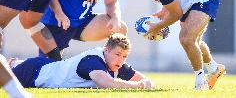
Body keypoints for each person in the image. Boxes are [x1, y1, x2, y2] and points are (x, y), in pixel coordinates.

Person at [115, 0, 226, 90]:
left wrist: (157, 27)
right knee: (193, 40)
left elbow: (176, 13)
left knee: (186, 38)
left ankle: (201, 83)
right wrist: (165, 9)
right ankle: (214, 69)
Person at [9, 33, 155, 89]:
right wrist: (138, 86)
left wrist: (148, 83)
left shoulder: (117, 64)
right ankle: (12, 64)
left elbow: (145, 80)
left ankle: (13, 64)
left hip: (48, 67)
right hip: (33, 73)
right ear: (106, 50)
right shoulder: (93, 60)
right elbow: (106, 83)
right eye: (118, 54)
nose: (121, 60)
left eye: (124, 56)